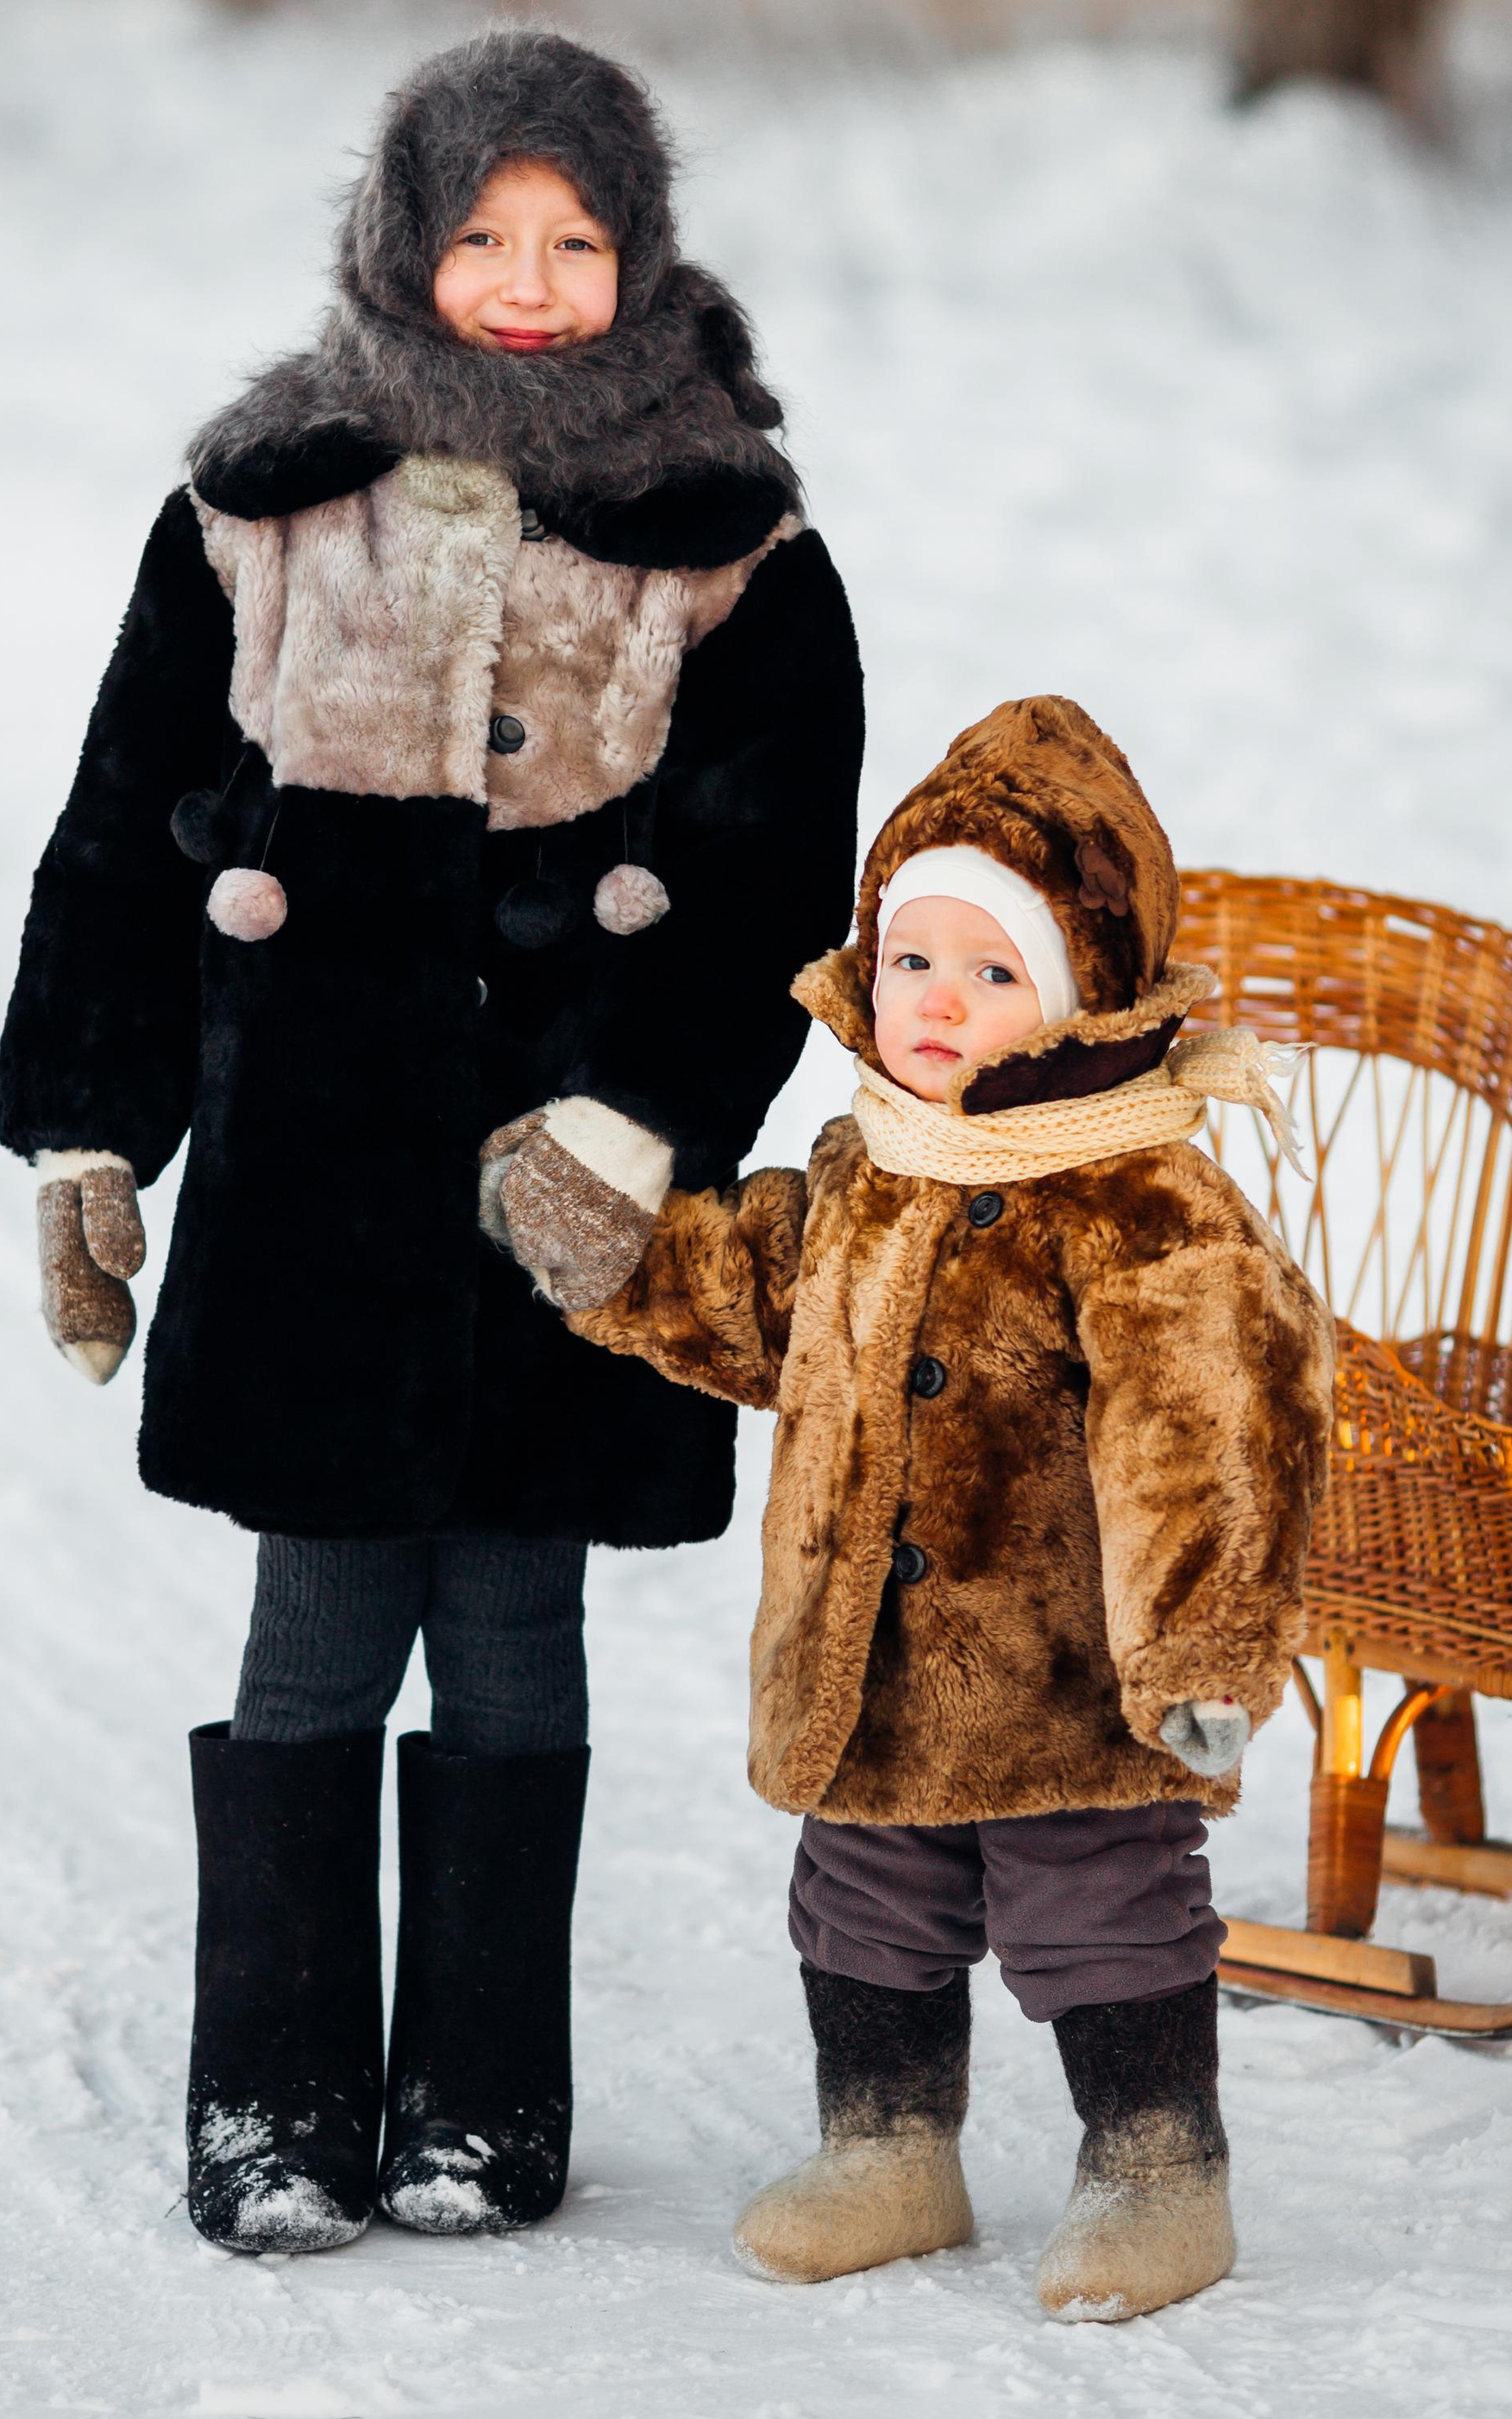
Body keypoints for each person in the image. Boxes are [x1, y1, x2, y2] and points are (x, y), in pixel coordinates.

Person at [0, 28, 864, 2254]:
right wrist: (90, 1137)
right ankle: (271, 2097)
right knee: (315, 1619)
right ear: (402, 236)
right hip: (310, 1167)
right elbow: (115, 833)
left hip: (561, 1192)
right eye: (483, 233)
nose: (525, 275)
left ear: (639, 253)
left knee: (509, 1621)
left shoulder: (726, 541)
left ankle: (478, 2103)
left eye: (573, 240)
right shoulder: (269, 494)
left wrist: (627, 1124)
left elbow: (775, 884)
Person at [492, 694, 1333, 2321]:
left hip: (1071, 1690)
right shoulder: (868, 1162)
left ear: (1082, 992)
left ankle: (1159, 2166)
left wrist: (1204, 1653)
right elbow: (751, 1297)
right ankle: (889, 2145)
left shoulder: (1144, 1201)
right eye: (912, 960)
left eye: (994, 971)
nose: (938, 1002)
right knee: (866, 1905)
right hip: (863, 1667)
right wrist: (617, 1255)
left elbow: (1222, 1434)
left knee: (1100, 1915)